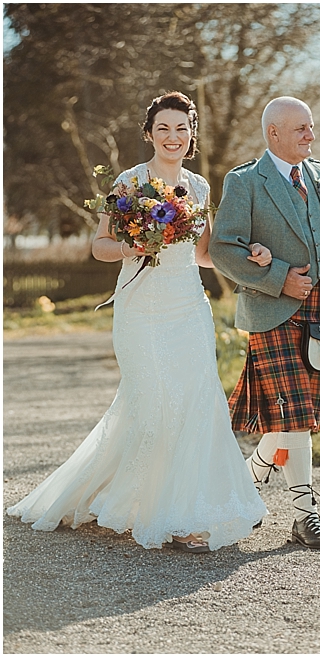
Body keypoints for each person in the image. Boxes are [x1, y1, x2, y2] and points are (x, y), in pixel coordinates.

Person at [6, 92, 270, 553]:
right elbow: (99, 245)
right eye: (163, 129)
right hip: (141, 310)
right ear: (149, 134)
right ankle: (121, 498)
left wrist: (250, 255)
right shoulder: (130, 182)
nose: (173, 137)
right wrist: (134, 247)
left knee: (194, 404)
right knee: (153, 405)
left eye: (181, 129)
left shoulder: (201, 186)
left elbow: (205, 255)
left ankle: (186, 513)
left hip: (188, 307)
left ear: (191, 136)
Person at [211, 96, 320, 551]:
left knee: (293, 416)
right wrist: (279, 278)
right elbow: (224, 248)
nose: (311, 136)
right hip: (271, 310)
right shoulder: (244, 182)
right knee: (294, 416)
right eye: (301, 129)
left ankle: (243, 486)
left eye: (311, 127)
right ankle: (306, 516)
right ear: (273, 133)